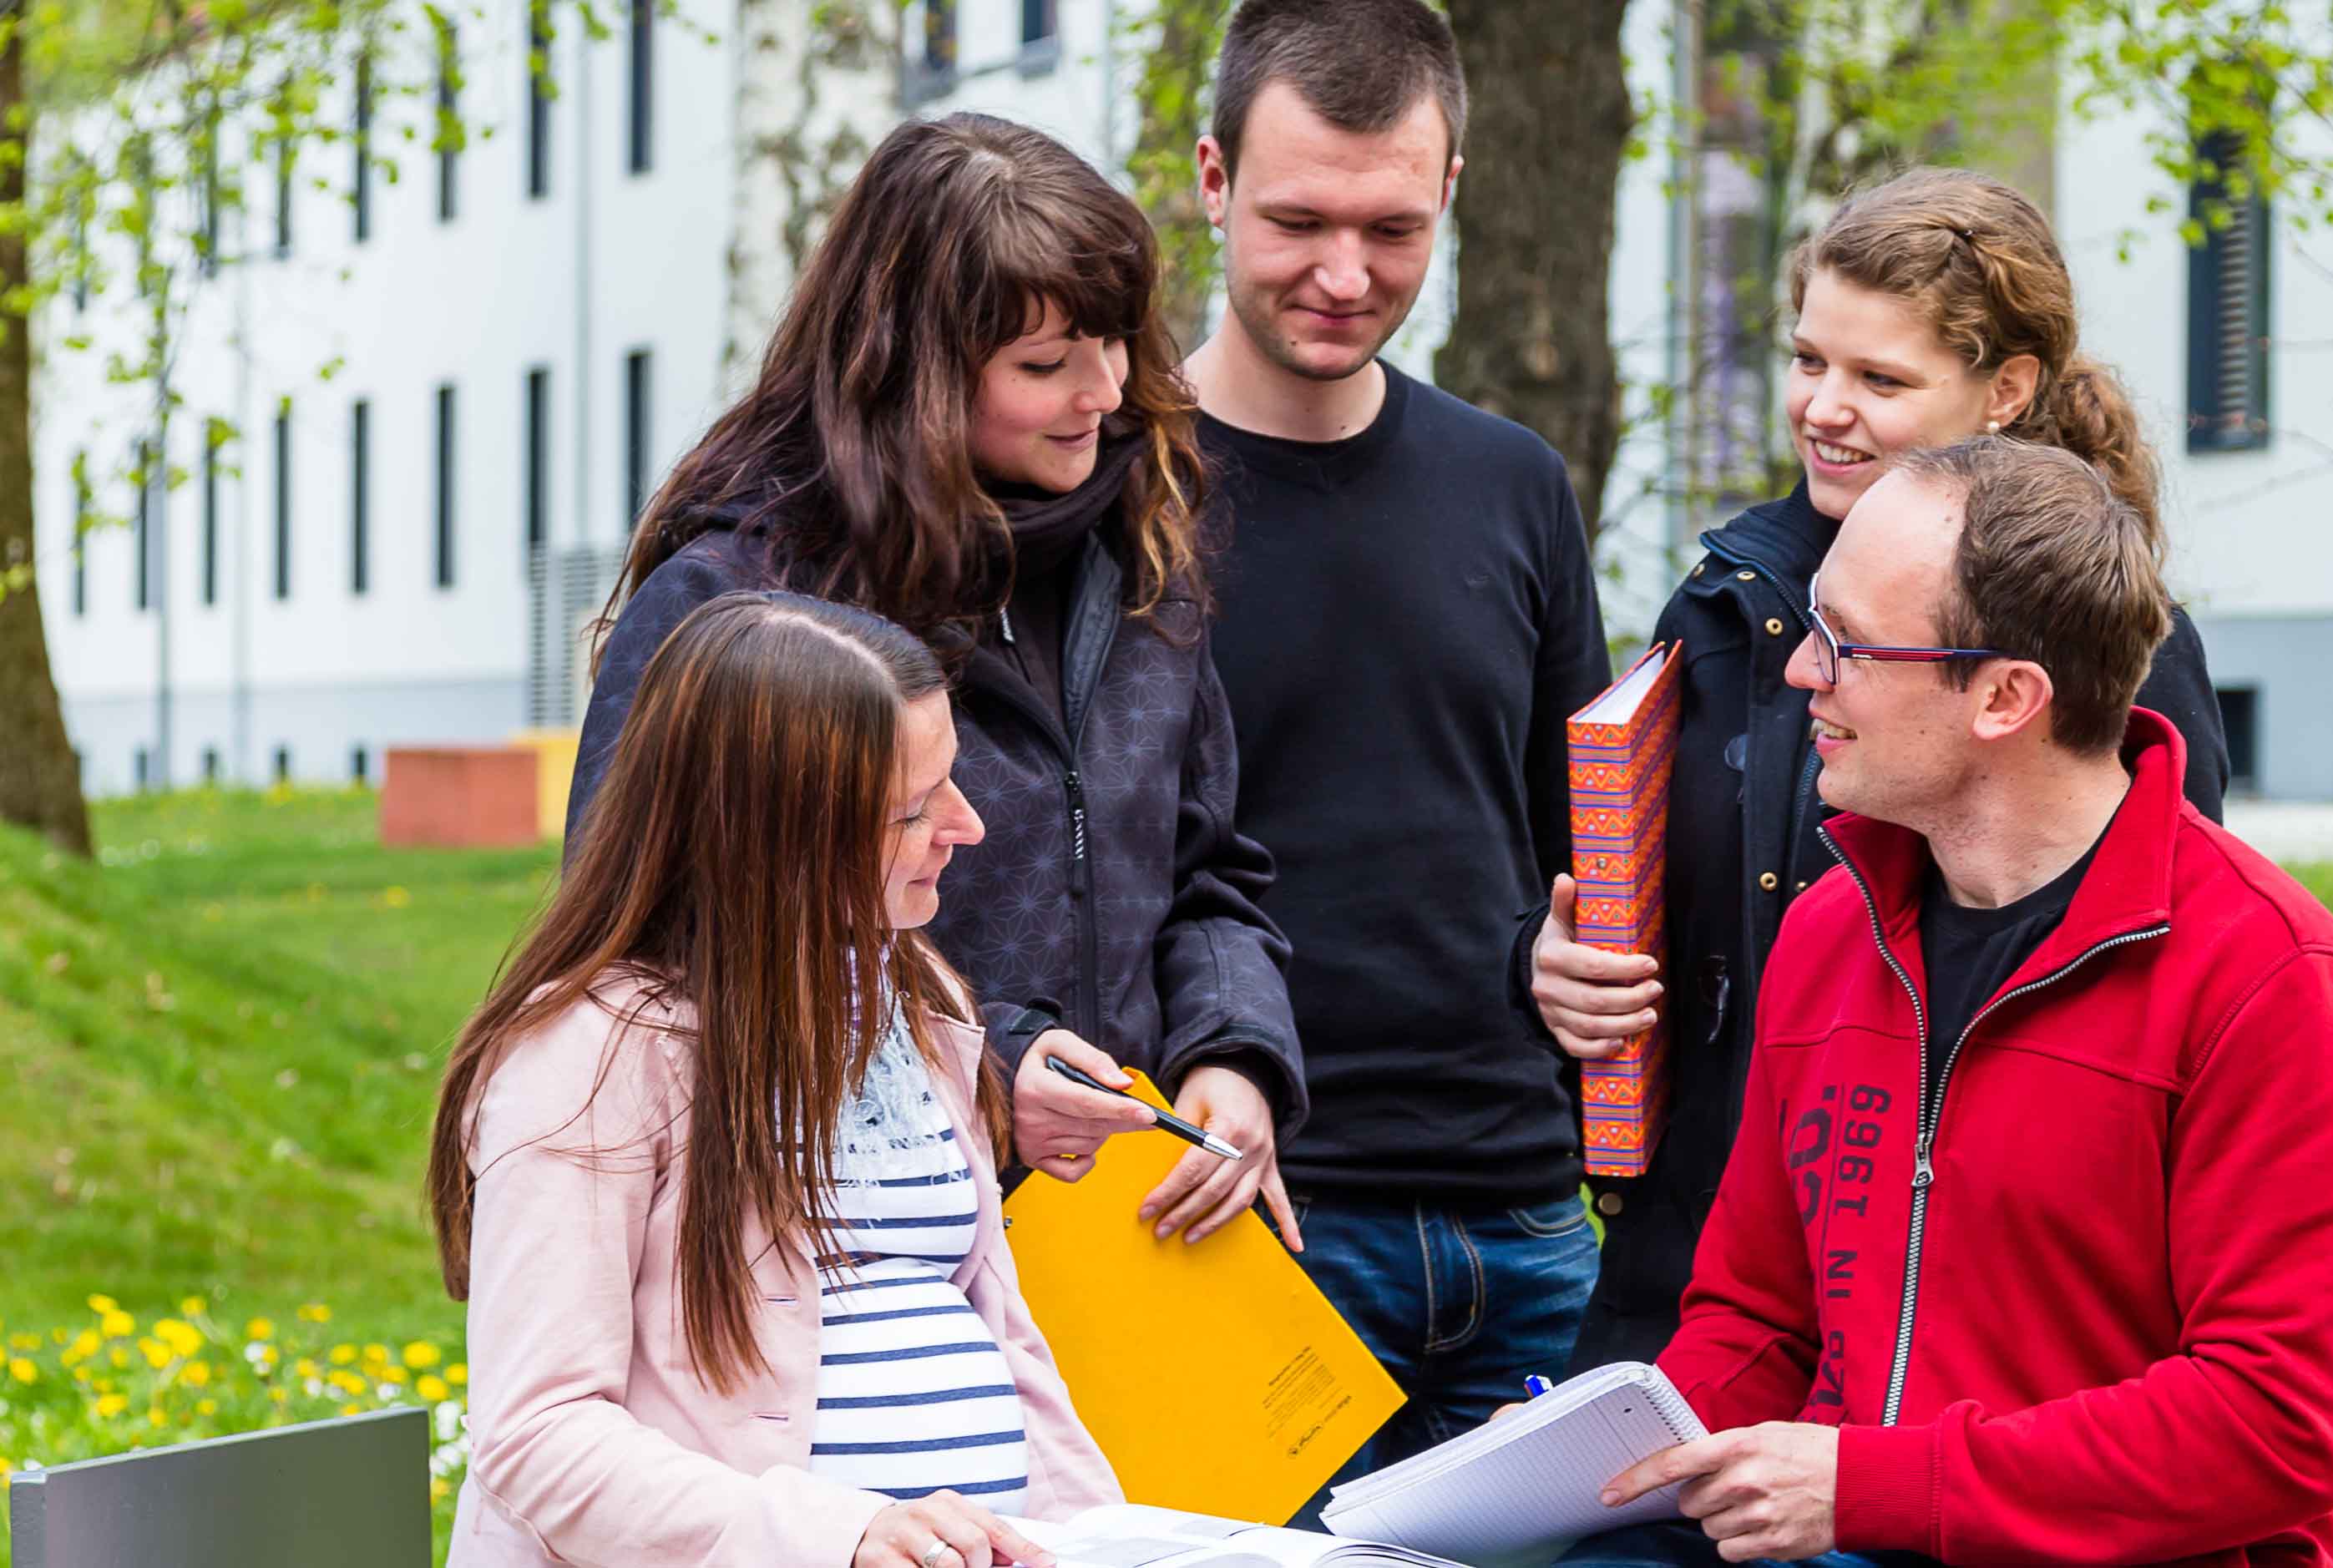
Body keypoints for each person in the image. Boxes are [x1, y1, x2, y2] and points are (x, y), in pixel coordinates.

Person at [1565, 438, 2333, 1568]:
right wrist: (1582, 1466)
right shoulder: (1826, 932)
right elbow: (1755, 1318)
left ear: (2006, 696)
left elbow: (2271, 1428)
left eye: (1845, 644)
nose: (1803, 671)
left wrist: (1874, 1485)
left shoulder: (2272, 979)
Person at [1538, 169, 2237, 1373]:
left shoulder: (2111, 655)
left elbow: (2146, 989)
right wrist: (1568, 976)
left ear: (2004, 390)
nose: (1823, 407)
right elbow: (1675, 911)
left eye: (1880, 379)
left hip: (1939, 1300)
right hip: (1697, 1264)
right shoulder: (1723, 602)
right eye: (1808, 360)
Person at [569, 114, 1303, 1248]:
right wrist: (988, 1064)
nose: (1104, 393)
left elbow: (1204, 870)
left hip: (1124, 1241)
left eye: (1115, 340)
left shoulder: (1141, 552)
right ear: (910, 372)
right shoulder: (736, 599)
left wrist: (1231, 1053)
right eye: (1044, 365)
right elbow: (653, 966)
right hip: (850, 1257)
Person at [429, 591, 1121, 1568]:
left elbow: (1003, 1344)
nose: (964, 828)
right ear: (776, 836)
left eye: (951, 782)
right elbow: (538, 1434)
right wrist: (841, 1535)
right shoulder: (592, 1053)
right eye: (911, 809)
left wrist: (1102, 1536)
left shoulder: (921, 1003)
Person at [1182, 0, 1612, 1500]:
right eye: (1300, 219)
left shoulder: (1513, 481)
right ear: (1212, 178)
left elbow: (1583, 837)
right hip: (1250, 1221)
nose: (1346, 274)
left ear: (1455, 195)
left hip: (1527, 1216)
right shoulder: (1113, 499)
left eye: (1394, 227)